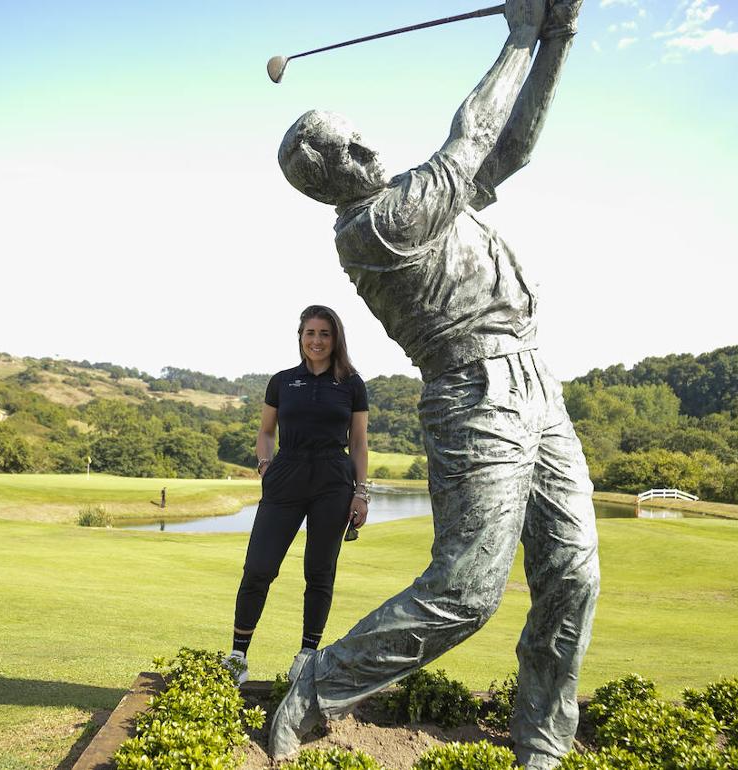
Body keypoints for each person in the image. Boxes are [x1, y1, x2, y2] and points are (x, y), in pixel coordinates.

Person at [269, 0, 596, 768]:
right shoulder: (376, 224)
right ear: (330, 178)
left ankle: (542, 737)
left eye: (357, 132)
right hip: (473, 394)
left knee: (573, 568)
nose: (366, 144)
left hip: (536, 383)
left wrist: (559, 35)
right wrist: (520, 29)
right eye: (347, 147)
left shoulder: (422, 199)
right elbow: (471, 139)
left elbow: (509, 148)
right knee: (467, 591)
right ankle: (320, 684)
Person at [225, 305, 370, 686]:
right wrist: (264, 465)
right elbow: (266, 431)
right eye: (310, 333)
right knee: (259, 567)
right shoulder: (283, 381)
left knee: (319, 572)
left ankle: (306, 656)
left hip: (332, 480)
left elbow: (357, 442)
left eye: (325, 333)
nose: (317, 341)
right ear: (300, 337)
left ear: (335, 338)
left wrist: (361, 493)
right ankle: (237, 655)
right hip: (286, 474)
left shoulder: (352, 384)